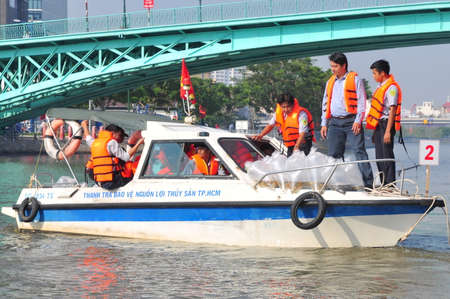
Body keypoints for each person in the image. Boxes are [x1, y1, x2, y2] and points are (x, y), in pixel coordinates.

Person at [320, 52, 374, 188]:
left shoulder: (355, 80)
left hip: (351, 122)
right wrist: (323, 123)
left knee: (359, 151)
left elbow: (362, 102)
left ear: (344, 66)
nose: (333, 69)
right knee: (333, 154)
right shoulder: (330, 82)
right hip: (334, 123)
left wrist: (358, 120)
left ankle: (368, 185)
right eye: (331, 66)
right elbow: (325, 103)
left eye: (335, 66)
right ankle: (335, 184)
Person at [366, 59, 402, 186]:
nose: (373, 76)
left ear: (382, 73)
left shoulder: (391, 88)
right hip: (379, 125)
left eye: (374, 73)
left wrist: (387, 131)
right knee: (379, 157)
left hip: (386, 124)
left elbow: (393, 109)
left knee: (387, 156)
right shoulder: (380, 87)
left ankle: (390, 185)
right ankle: (383, 183)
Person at [81, 121, 144, 190]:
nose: (122, 139)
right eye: (121, 136)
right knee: (133, 168)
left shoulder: (95, 142)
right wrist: (138, 143)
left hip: (99, 181)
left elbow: (88, 137)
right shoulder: (111, 142)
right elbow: (126, 157)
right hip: (111, 182)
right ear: (113, 133)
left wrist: (84, 125)